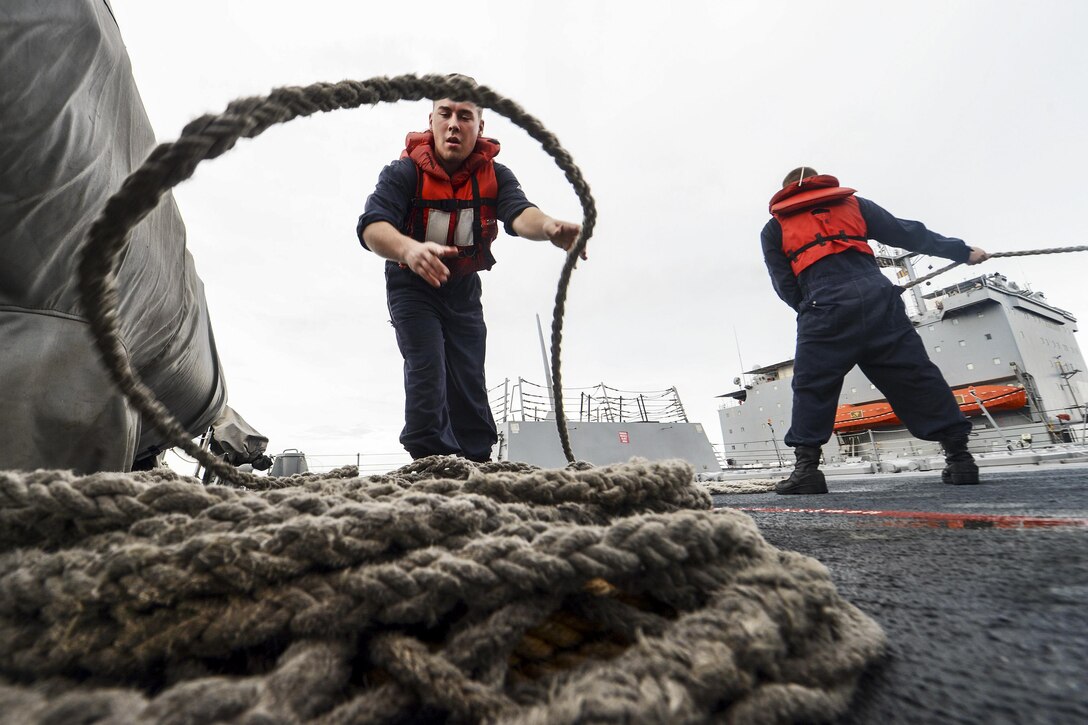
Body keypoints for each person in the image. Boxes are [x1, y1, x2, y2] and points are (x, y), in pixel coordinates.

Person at [356, 76, 582, 463]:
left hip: (462, 288)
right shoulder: (403, 173)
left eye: (465, 116)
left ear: (480, 126)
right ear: (431, 121)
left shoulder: (496, 176)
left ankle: (477, 460)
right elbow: (372, 227)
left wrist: (548, 228)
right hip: (411, 284)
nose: (454, 124)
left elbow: (519, 213)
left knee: (468, 376)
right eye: (445, 114)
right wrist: (409, 250)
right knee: (428, 368)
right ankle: (431, 461)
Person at [761, 167, 990, 494]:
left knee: (813, 385)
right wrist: (962, 251)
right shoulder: (853, 205)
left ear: (786, 192)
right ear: (820, 183)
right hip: (877, 296)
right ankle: (960, 459)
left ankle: (807, 470)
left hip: (824, 305)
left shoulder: (774, 228)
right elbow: (906, 232)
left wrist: (809, 306)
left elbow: (784, 283)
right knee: (916, 375)